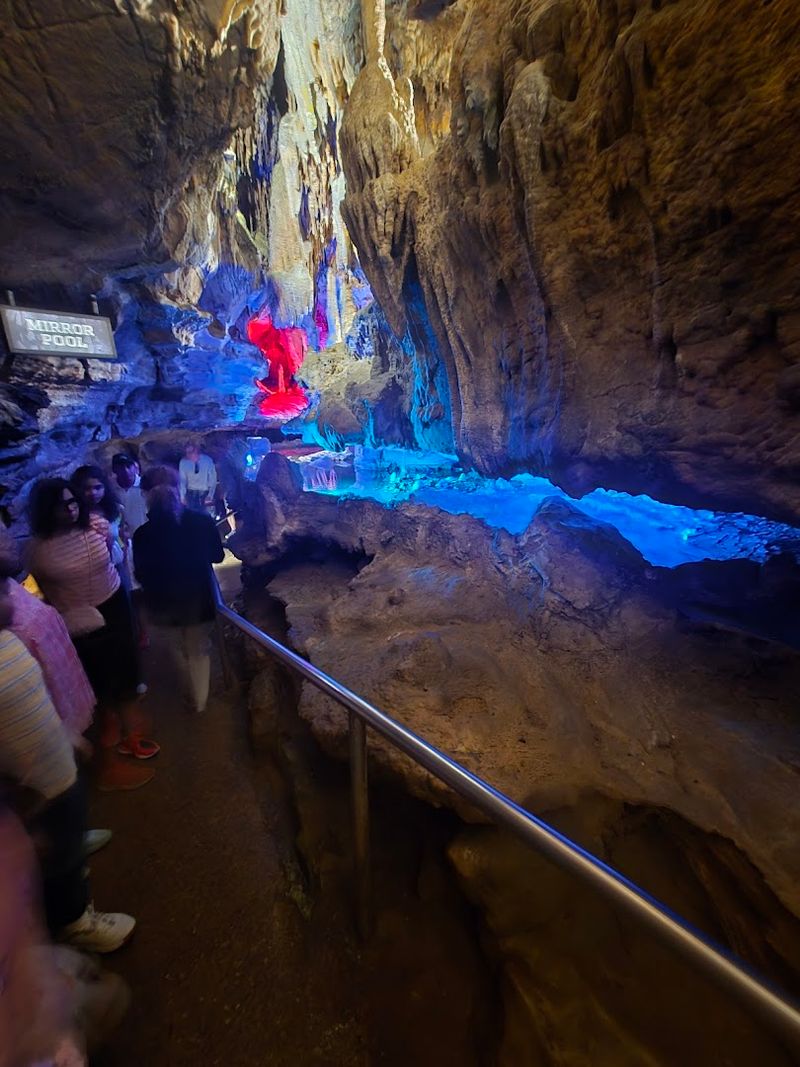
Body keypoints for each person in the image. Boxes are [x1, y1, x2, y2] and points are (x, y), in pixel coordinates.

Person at [0, 577, 136, 955]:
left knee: (68, 818)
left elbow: (29, 695)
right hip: (30, 786)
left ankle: (72, 841)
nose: (8, 595)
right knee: (58, 858)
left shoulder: (5, 636)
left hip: (50, 759)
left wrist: (65, 735)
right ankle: (75, 922)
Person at [26, 479, 158, 772]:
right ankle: (109, 728)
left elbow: (116, 559)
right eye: (63, 505)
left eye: (74, 502)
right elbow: (43, 585)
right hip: (75, 614)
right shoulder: (37, 548)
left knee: (124, 664)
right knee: (95, 673)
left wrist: (113, 542)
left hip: (113, 602)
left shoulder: (96, 525)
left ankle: (129, 728)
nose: (72, 509)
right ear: (48, 509)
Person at [134, 469, 224, 712]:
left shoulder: (142, 535)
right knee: (198, 650)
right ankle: (201, 701)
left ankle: (190, 692)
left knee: (177, 651)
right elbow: (218, 555)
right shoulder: (202, 521)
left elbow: (140, 574)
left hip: (162, 604)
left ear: (146, 495)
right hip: (198, 599)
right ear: (180, 488)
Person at [70, 466, 124, 570]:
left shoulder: (116, 510)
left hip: (116, 565)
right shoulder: (73, 515)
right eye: (87, 488)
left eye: (98, 487)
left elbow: (122, 540)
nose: (93, 493)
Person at [179, 441, 217, 516]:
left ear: (196, 450)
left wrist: (210, 495)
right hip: (191, 494)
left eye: (191, 452)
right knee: (192, 517)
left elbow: (212, 479)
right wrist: (182, 496)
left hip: (204, 493)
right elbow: (182, 480)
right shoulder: (183, 463)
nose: (189, 455)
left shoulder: (207, 460)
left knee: (207, 517)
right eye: (187, 452)